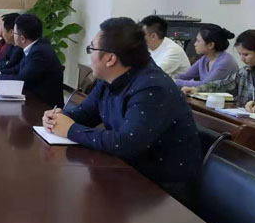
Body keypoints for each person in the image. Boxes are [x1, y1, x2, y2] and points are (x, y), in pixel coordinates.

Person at [43, 17, 201, 204]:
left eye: (92, 49)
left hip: (162, 190)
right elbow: (86, 113)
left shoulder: (152, 87)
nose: (89, 55)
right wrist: (57, 118)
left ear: (110, 59)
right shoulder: (108, 79)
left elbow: (126, 143)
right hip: (127, 170)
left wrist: (70, 129)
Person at [0, 13, 64, 108]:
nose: (12, 35)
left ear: (22, 38)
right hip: (33, 100)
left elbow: (22, 80)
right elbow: (17, 69)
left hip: (44, 106)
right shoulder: (36, 46)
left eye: (14, 33)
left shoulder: (39, 52)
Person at [182, 29, 255, 113]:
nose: (242, 59)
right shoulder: (244, 72)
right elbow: (222, 85)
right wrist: (196, 89)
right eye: (240, 54)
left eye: (246, 54)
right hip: (242, 116)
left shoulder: (225, 61)